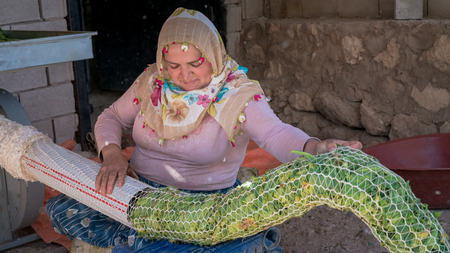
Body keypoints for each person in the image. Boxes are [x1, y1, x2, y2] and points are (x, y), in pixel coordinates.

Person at [46, 7, 362, 250]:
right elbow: (111, 116)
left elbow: (276, 134)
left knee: (166, 243)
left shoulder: (237, 93)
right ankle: (149, 242)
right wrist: (112, 154)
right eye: (174, 65)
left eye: (195, 63)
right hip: (138, 192)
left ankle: (158, 242)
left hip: (201, 204)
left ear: (212, 54)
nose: (183, 75)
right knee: (63, 209)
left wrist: (315, 147)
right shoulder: (153, 82)